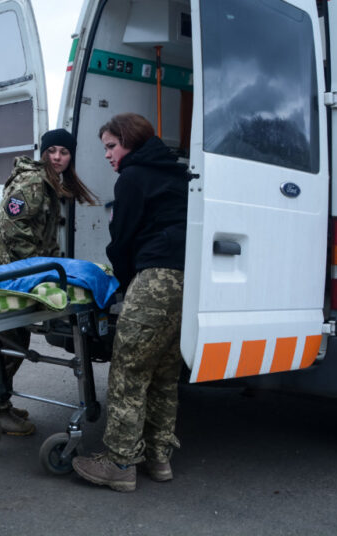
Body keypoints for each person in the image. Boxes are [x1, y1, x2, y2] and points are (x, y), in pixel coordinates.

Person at [72, 113, 188, 492]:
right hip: (188, 280)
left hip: (155, 278)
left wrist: (118, 283)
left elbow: (121, 238)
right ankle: (159, 457)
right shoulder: (177, 174)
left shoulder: (133, 178)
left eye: (111, 146)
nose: (107, 155)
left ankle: (120, 462)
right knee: (164, 373)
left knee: (129, 370)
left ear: (130, 142)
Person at [0, 128, 97, 435]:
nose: (57, 158)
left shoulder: (48, 183)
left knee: (11, 341)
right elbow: (12, 229)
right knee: (10, 341)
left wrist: (52, 266)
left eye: (64, 152)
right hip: (4, 271)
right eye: (52, 151)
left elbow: (43, 235)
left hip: (15, 271)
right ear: (43, 152)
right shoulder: (32, 182)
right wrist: (41, 269)